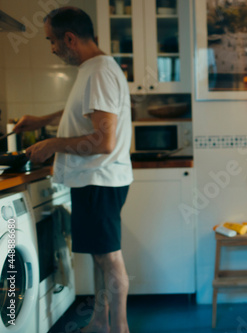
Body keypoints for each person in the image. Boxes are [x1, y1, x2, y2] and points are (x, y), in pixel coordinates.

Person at [13, 7, 133, 333]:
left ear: (70, 38)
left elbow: (103, 140)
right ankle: (101, 322)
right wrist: (43, 121)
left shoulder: (98, 71)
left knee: (109, 259)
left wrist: (52, 144)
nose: (52, 48)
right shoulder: (94, 69)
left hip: (100, 179)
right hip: (96, 180)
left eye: (52, 41)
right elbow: (86, 112)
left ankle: (119, 329)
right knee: (100, 257)